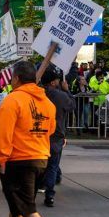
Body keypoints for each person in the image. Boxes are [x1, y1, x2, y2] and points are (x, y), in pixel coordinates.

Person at [0, 61, 64, 217]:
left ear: (17, 78)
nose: (10, 81)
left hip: (18, 160)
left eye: (12, 78)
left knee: (27, 208)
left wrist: (1, 159)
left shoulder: (13, 100)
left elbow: (3, 133)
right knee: (19, 204)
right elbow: (50, 130)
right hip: (41, 159)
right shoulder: (47, 102)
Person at [40, 67, 75, 207]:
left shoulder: (38, 94)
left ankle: (40, 185)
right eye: (57, 80)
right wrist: (67, 90)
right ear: (53, 82)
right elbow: (72, 105)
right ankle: (49, 194)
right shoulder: (61, 96)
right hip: (56, 135)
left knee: (42, 165)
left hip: (39, 134)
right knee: (53, 165)